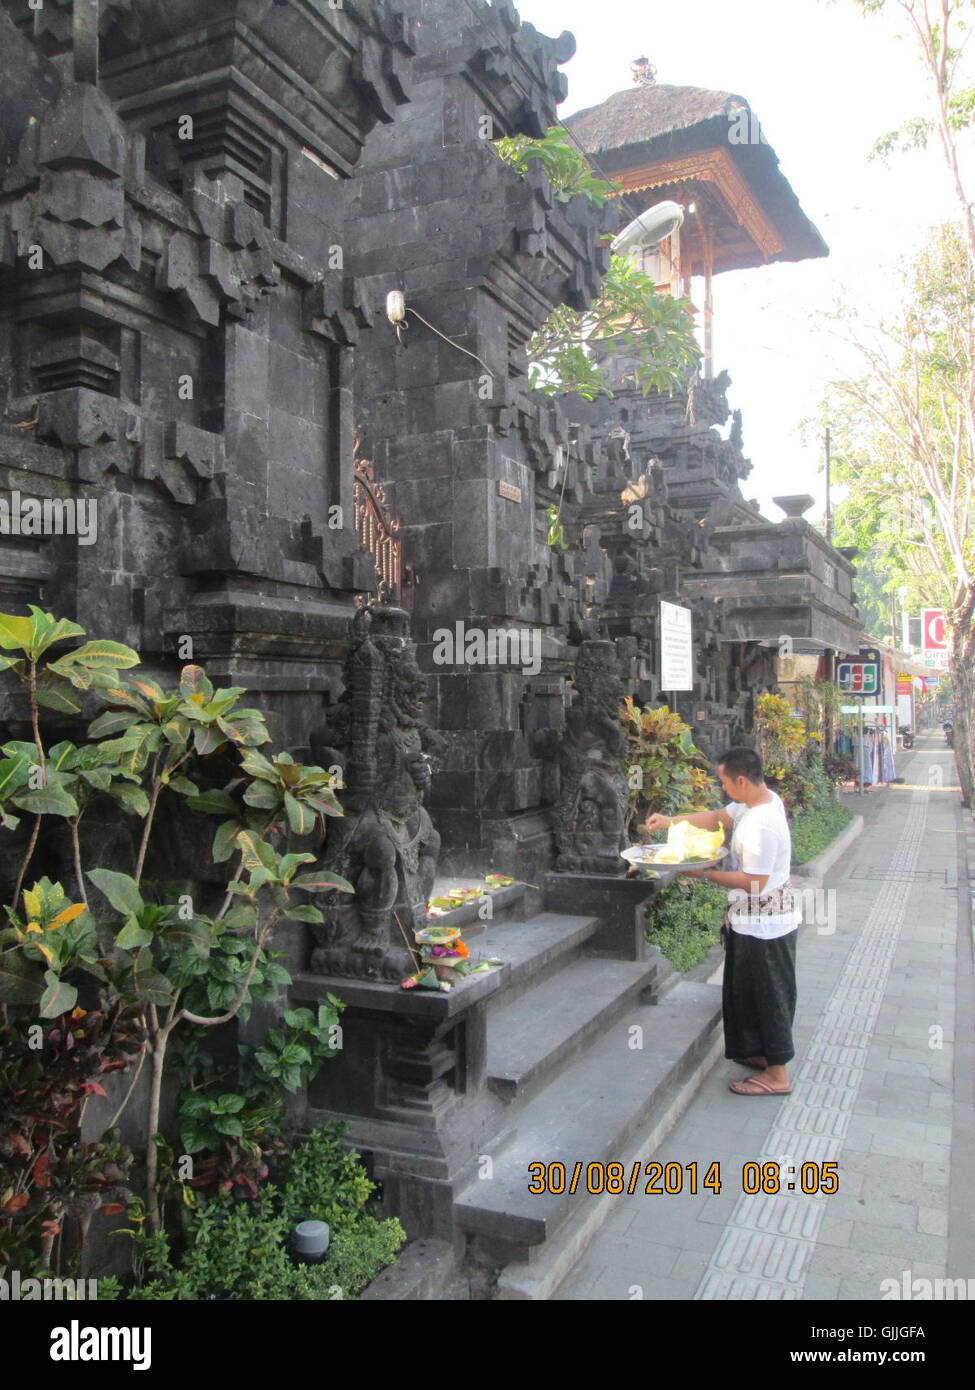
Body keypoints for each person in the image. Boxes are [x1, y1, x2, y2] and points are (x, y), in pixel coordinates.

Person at [645, 746, 799, 1097]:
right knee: (748, 990)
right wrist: (672, 822)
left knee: (769, 993)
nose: (724, 789)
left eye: (726, 783)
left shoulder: (762, 824)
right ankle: (762, 1054)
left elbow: (754, 882)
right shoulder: (757, 801)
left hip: (766, 925)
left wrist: (704, 873)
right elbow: (718, 817)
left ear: (742, 780)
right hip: (752, 920)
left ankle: (778, 1075)